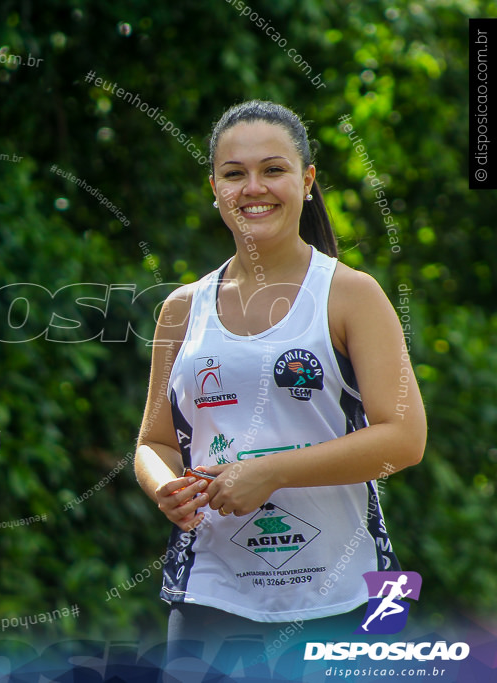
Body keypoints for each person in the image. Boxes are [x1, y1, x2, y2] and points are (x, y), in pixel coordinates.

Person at [133, 100, 427, 673]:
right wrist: (163, 486)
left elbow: (405, 438)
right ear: (214, 187)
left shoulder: (350, 294)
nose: (253, 188)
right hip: (211, 595)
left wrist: (272, 472)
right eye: (234, 174)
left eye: (273, 170)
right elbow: (155, 441)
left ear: (308, 181)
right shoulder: (180, 309)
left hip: (344, 595)